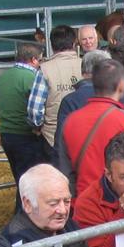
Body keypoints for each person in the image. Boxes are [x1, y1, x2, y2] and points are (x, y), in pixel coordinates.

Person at [59, 59, 124, 197]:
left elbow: (65, 172)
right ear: (121, 85)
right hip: (122, 203)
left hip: (84, 204)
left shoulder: (70, 121)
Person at [0, 41, 48, 183]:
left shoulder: (2, 78)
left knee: (19, 178)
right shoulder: (33, 78)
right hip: (26, 135)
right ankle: (22, 206)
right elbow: (38, 107)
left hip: (6, 134)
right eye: (40, 59)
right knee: (30, 181)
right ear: (34, 60)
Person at [31, 25, 84, 154]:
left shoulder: (44, 69)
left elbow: (35, 110)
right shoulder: (86, 64)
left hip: (53, 136)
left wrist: (38, 127)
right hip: (84, 133)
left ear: (52, 44)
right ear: (74, 42)